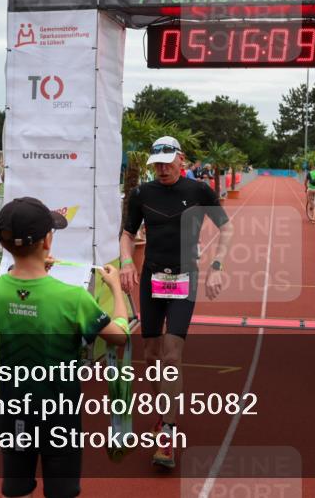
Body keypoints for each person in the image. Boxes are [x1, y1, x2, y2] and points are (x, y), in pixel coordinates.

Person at [0, 197, 128, 498]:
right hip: (59, 414)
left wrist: (32, 271)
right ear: (48, 241)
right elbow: (119, 335)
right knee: (62, 490)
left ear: (3, 243)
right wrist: (115, 289)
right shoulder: (73, 298)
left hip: (13, 409)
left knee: (15, 488)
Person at [119, 135, 232, 469]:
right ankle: (162, 412)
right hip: (153, 280)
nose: (163, 169)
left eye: (169, 162)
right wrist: (127, 261)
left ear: (181, 160)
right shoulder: (141, 194)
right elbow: (127, 233)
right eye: (157, 164)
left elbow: (226, 229)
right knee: (152, 355)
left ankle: (167, 431)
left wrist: (216, 266)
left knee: (172, 353)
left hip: (186, 278)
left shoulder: (199, 191)